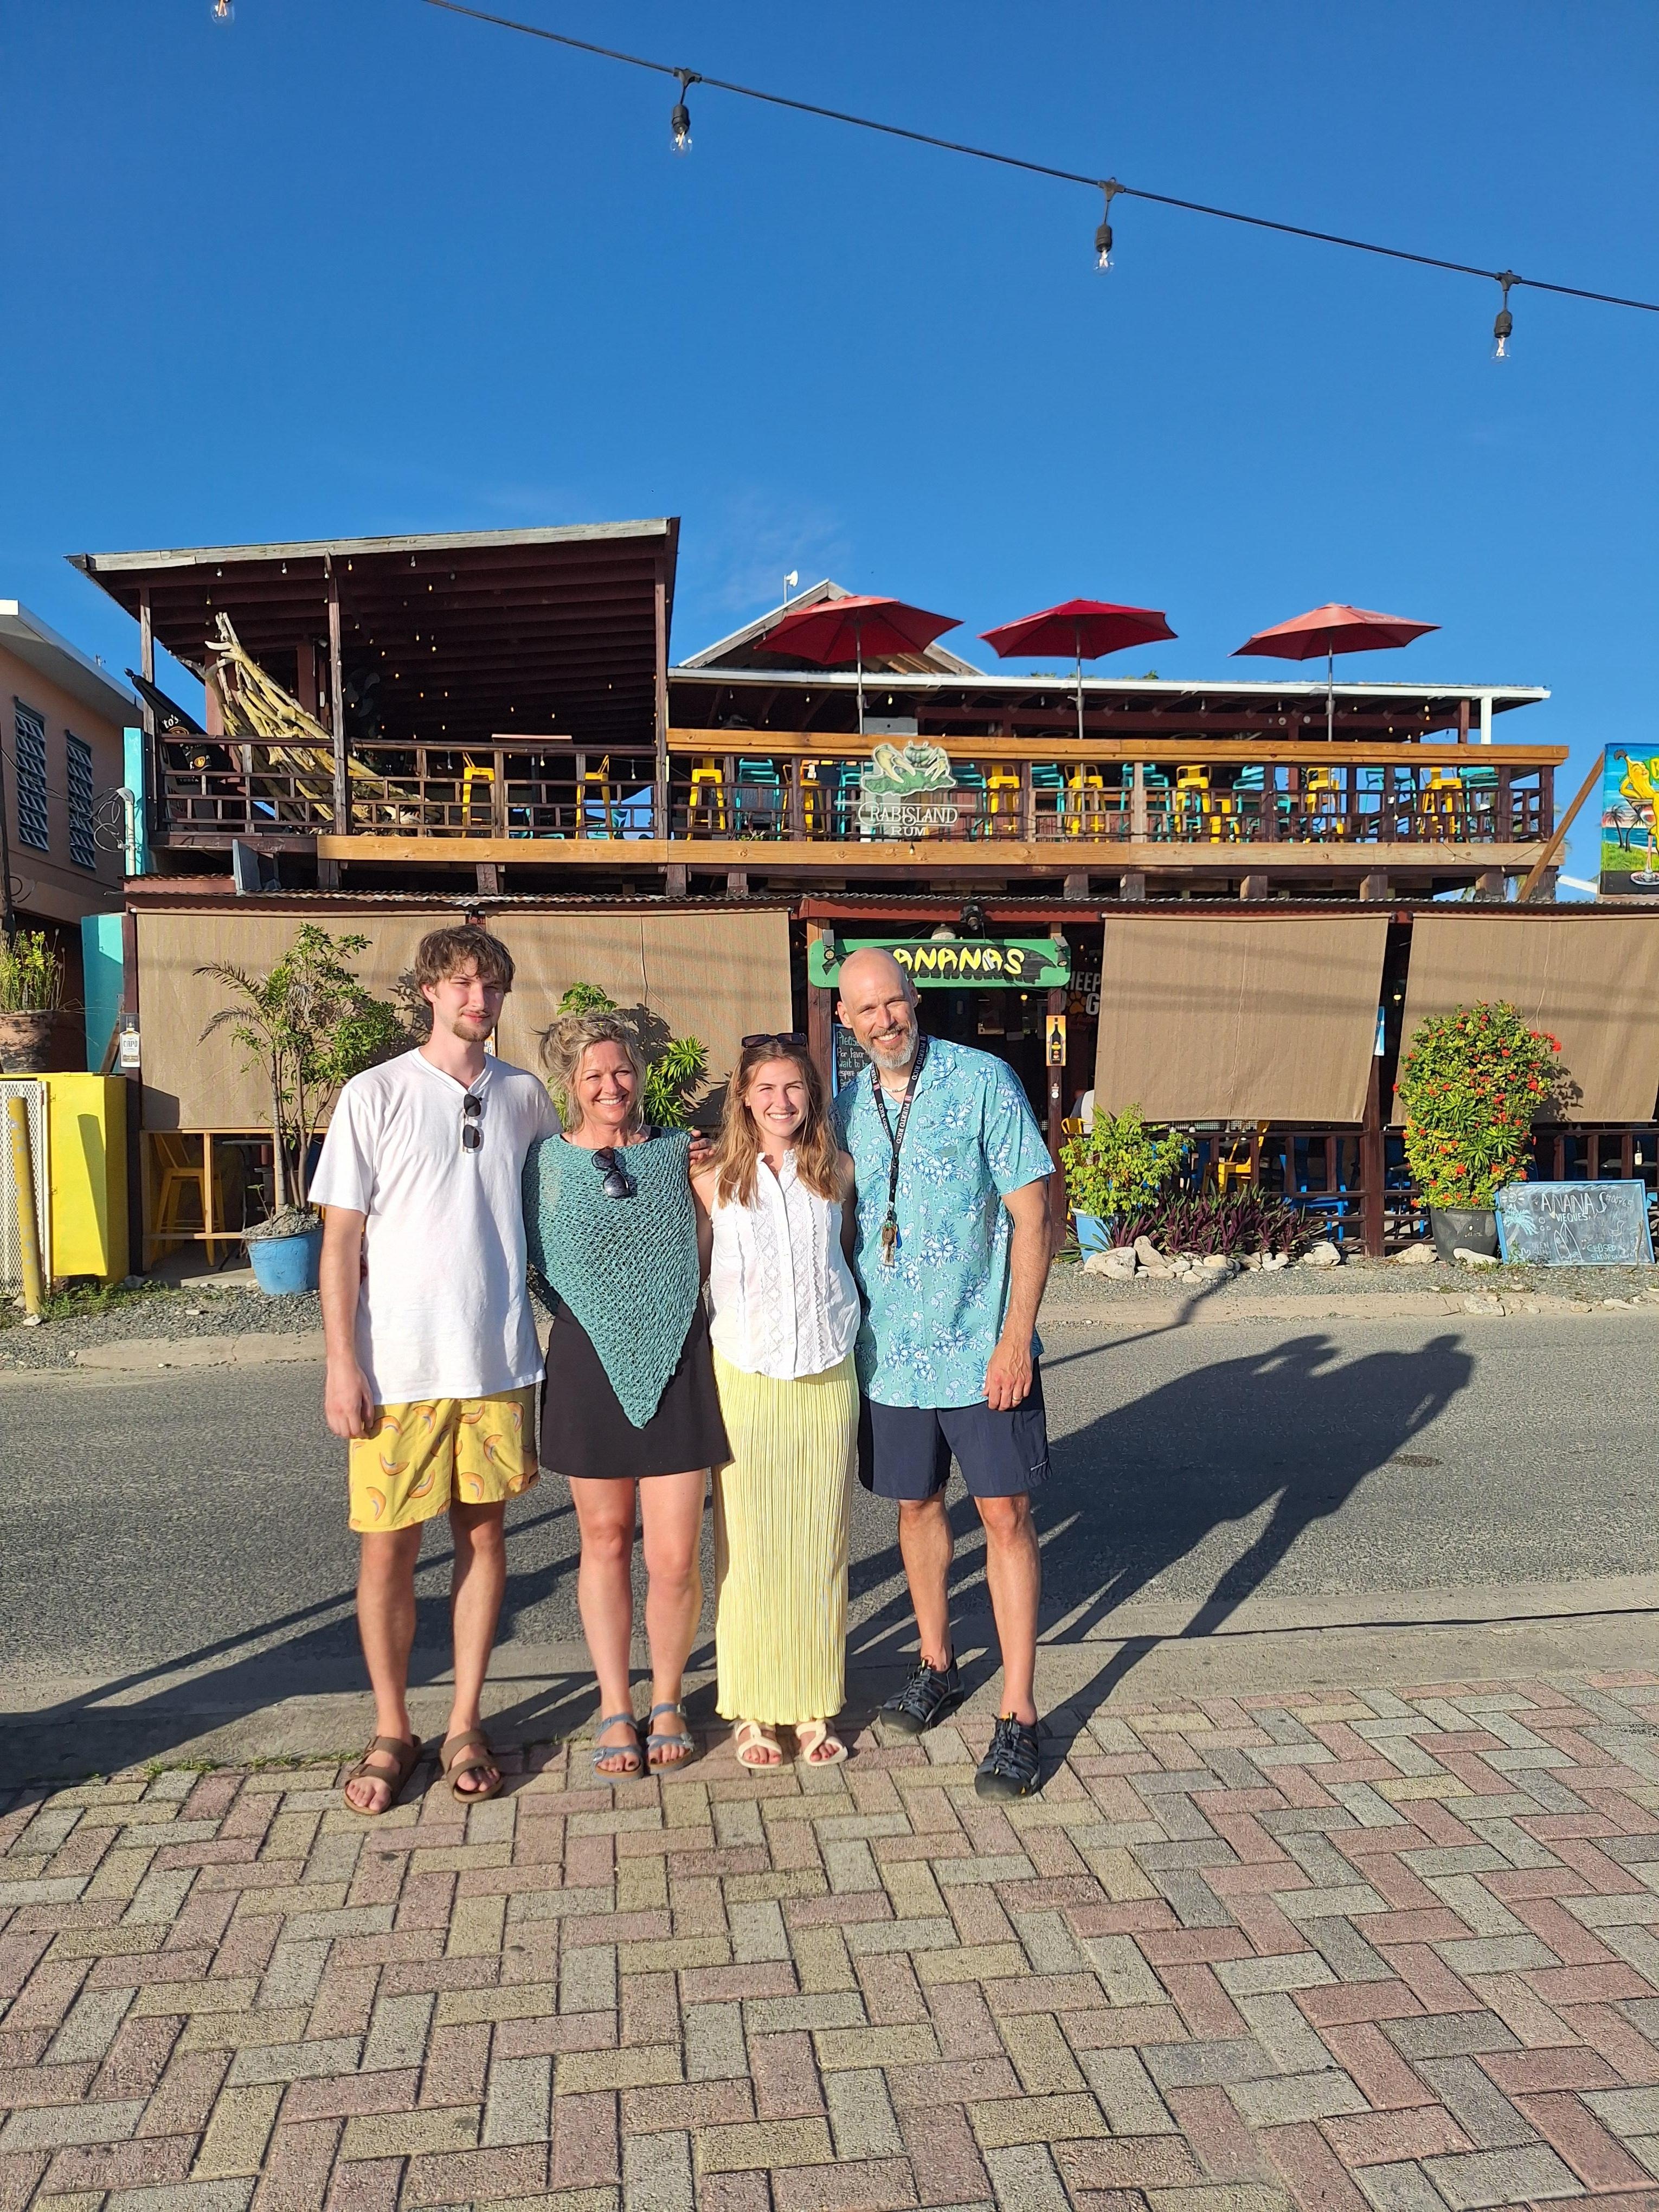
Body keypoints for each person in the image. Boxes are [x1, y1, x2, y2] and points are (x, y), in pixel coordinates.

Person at [314, 925, 558, 1815]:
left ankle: (463, 1720)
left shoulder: (524, 1096)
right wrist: (343, 1363)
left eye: (491, 987)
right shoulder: (373, 1094)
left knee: (483, 1538)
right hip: (397, 1366)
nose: (477, 1001)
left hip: (494, 1358)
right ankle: (391, 1727)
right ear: (427, 991)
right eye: (460, 984)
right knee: (388, 1549)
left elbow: (559, 1205)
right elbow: (341, 1242)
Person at [833, 947, 1054, 1800]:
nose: (886, 1020)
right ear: (847, 1023)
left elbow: (1033, 1214)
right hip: (890, 1356)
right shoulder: (844, 1106)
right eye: (867, 1011)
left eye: (895, 1002)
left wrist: (1016, 1338)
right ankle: (937, 1663)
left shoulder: (983, 1080)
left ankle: (1020, 1711)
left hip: (981, 1350)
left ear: (913, 998)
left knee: (1005, 1515)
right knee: (915, 1505)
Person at [523, 1011, 728, 1777]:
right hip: (585, 1361)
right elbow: (536, 1259)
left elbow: (716, 1239)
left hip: (678, 1355)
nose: (613, 1086)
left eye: (623, 1071)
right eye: (594, 1076)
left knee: (674, 1557)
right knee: (604, 1543)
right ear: (570, 1085)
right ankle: (616, 1705)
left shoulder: (681, 1151)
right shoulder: (542, 1163)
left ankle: (669, 1697)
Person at [692, 1036, 860, 1769]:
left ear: (811, 1095)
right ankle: (755, 1708)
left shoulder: (839, 1173)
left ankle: (814, 1705)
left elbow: (851, 1258)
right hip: (747, 1374)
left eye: (793, 1088)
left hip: (827, 1373)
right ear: (744, 1096)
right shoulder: (711, 1177)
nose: (781, 1102)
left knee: (820, 1540)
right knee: (753, 1547)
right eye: (766, 1089)